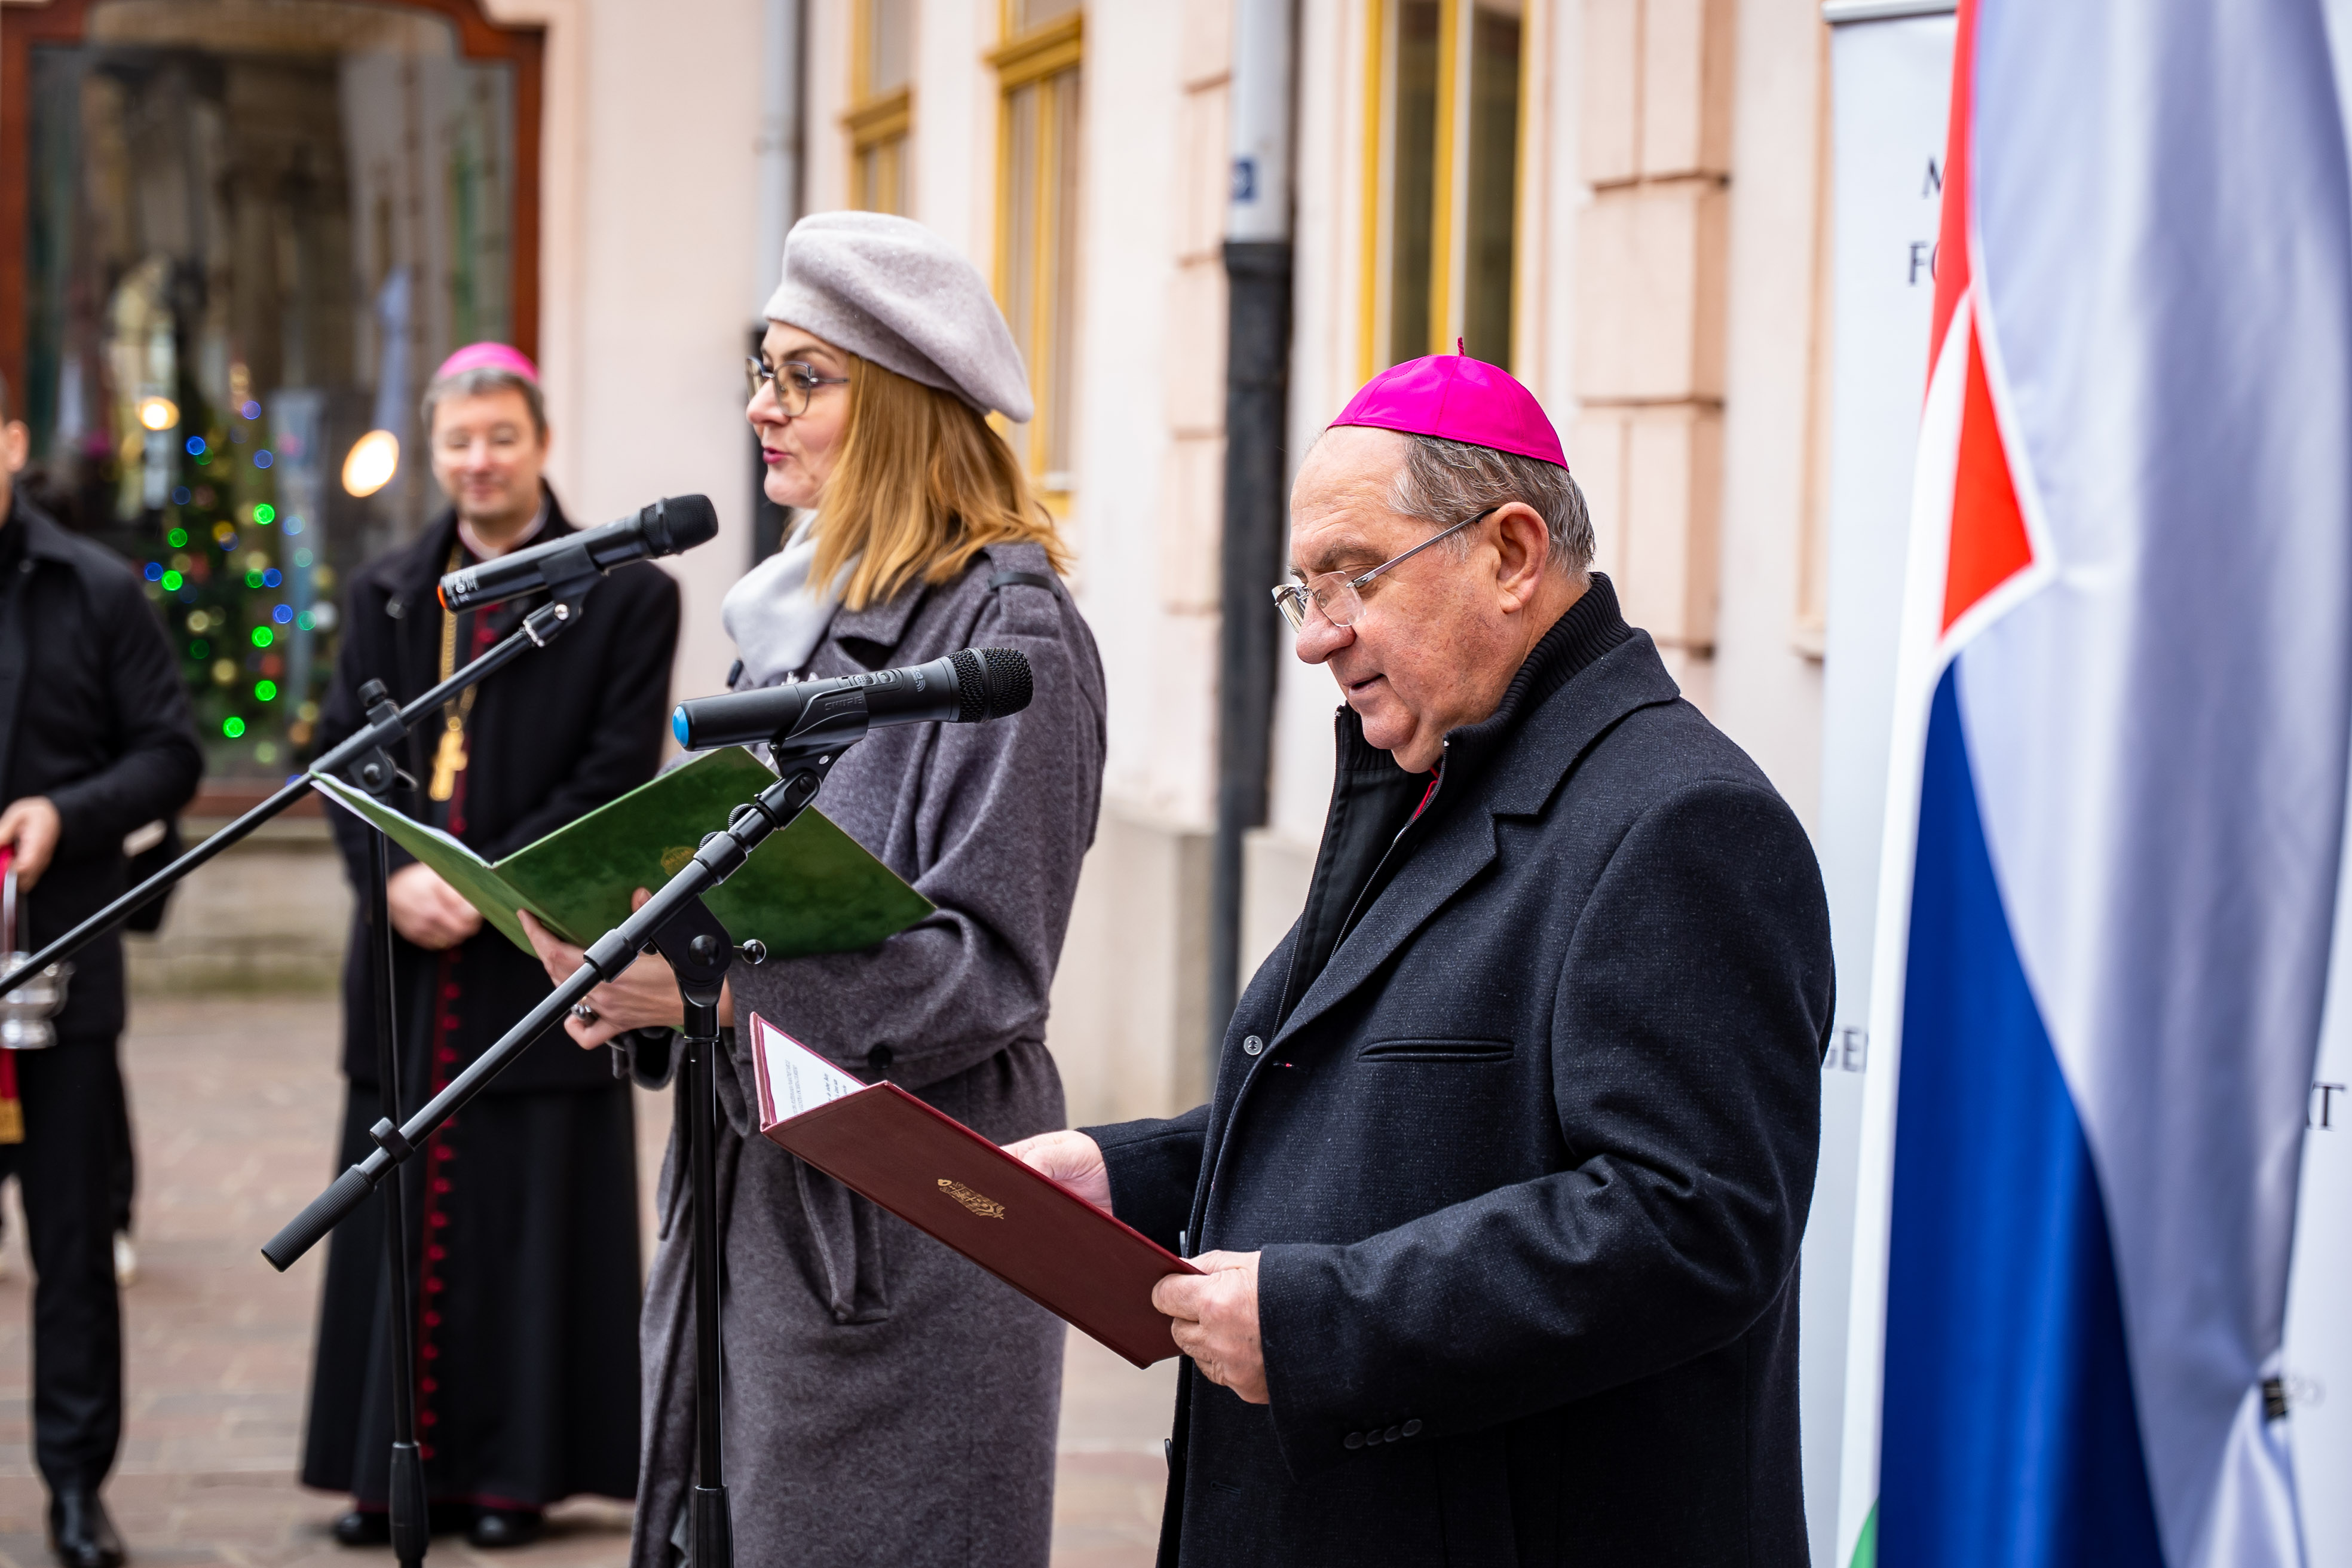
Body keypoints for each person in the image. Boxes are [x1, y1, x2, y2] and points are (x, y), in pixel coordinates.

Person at [1013, 354, 1834, 1566]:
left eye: (1353, 578)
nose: (1318, 640)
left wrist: (1317, 1324)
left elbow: (1691, 1223)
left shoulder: (1682, 821)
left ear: (1509, 555)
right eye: (1305, 593)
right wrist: (1121, 1173)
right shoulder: (1440, 778)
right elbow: (1377, 1123)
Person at [523, 210, 1105, 1568]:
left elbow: (989, 967)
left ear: (900, 407)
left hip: (902, 1229)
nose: (760, 409)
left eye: (802, 377)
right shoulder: (797, 620)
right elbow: (761, 905)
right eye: (762, 370)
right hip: (755, 1204)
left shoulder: (1010, 636)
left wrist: (718, 989)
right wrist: (644, 986)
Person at [300, 344, 680, 1549]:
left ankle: (516, 1478)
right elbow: (338, 758)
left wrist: (485, 879)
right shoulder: (392, 591)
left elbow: (615, 770)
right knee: (399, 1202)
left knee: (529, 1216)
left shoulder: (628, 592)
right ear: (436, 450)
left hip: (539, 945)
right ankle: (387, 1473)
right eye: (458, 440)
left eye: (500, 437)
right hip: (410, 958)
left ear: (541, 444)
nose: (478, 462)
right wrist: (388, 877)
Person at [0, 376, 204, 1567]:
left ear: (15, 442)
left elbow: (172, 755)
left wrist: (61, 816)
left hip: (58, 975)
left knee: (72, 1247)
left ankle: (76, 1490)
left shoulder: (96, 588)